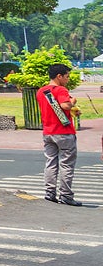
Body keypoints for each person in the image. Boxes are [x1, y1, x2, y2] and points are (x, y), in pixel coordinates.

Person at [37, 62, 82, 206]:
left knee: (50, 162)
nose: (67, 79)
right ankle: (66, 195)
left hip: (48, 132)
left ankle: (50, 193)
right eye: (67, 76)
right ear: (59, 76)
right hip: (63, 132)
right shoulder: (61, 90)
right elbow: (65, 105)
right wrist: (73, 101)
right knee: (66, 164)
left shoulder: (41, 91)